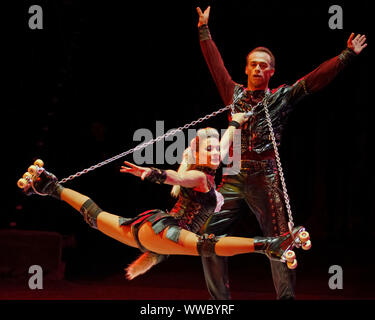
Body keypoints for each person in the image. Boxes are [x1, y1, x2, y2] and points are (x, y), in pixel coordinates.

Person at [196, 6, 367, 300]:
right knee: (207, 238)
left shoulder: (281, 97)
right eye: (254, 65)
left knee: (281, 242)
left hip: (266, 179)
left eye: (264, 65)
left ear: (271, 71)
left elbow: (312, 81)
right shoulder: (233, 94)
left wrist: (346, 55)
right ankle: (219, 302)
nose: (259, 69)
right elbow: (216, 66)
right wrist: (204, 31)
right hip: (233, 178)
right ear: (247, 68)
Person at [20, 122, 305, 284]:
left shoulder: (209, 172)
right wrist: (152, 173)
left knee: (95, 216)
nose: (217, 152)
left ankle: (51, 187)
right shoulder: (198, 176)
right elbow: (175, 178)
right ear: (196, 152)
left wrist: (234, 123)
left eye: (219, 149)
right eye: (210, 148)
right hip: (165, 231)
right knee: (208, 245)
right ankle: (269, 245)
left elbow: (226, 141)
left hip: (155, 237)